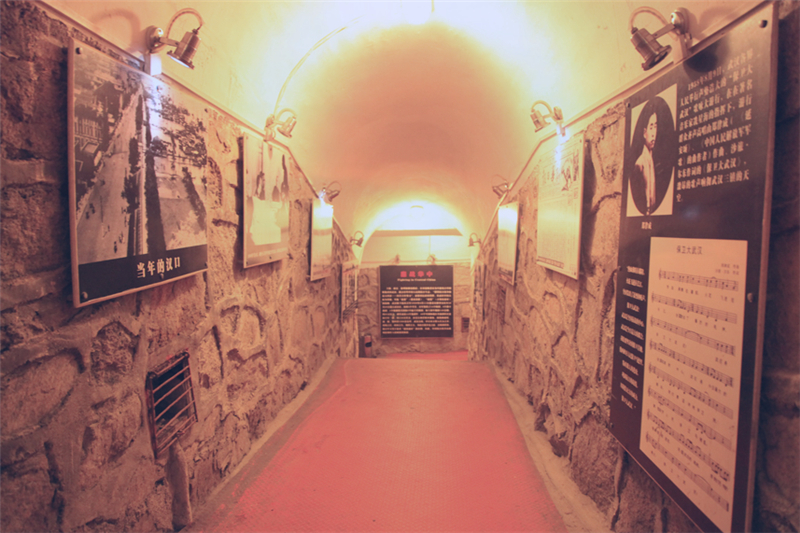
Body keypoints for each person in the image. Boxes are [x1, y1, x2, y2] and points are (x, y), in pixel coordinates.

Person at [629, 97, 673, 216]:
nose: (654, 133)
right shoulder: (640, 164)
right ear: (645, 132)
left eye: (656, 127)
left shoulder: (651, 160)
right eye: (651, 127)